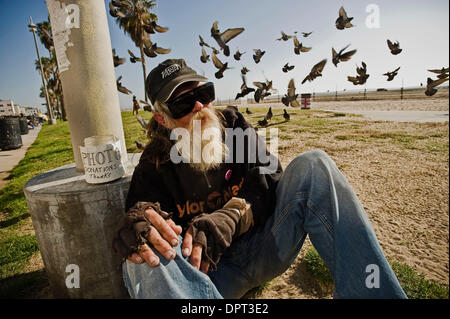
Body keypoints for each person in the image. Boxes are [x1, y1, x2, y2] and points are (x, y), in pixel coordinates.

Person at [112, 58, 407, 299]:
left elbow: (270, 177)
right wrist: (139, 224)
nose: (200, 108)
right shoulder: (154, 164)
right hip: (210, 278)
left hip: (265, 248)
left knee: (314, 165)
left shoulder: (234, 125)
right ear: (163, 118)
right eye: (183, 104)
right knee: (144, 248)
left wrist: (230, 217)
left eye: (204, 95)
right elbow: (144, 211)